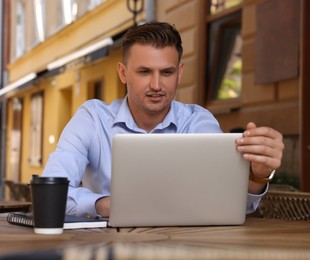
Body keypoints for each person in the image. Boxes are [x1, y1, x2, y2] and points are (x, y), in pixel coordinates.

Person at [42, 22, 284, 218]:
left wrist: (258, 175)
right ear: (123, 73)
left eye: (166, 73)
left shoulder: (198, 122)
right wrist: (104, 205)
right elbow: (50, 194)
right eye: (144, 72)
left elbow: (230, 205)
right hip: (108, 249)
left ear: (179, 73)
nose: (156, 85)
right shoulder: (92, 119)